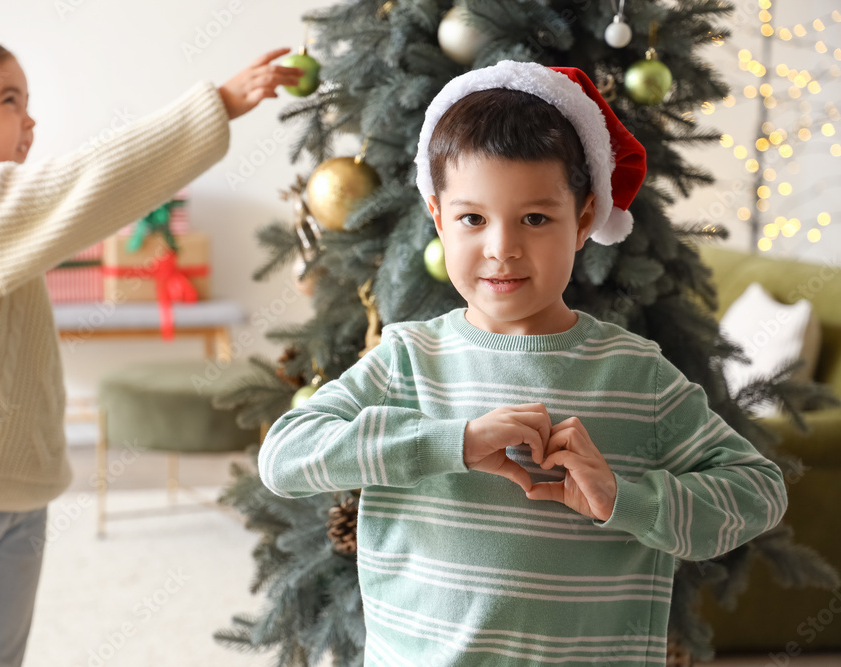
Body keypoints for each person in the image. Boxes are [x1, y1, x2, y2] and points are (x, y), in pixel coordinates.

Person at [258, 60, 788, 665]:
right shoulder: (407, 361)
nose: (501, 247)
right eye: (472, 219)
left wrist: (624, 499)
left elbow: (758, 492)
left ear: (585, 218)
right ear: (438, 217)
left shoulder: (637, 375)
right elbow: (285, 456)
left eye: (535, 218)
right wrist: (447, 442)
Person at [0, 1, 302, 665]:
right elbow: (83, 183)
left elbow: (77, 198)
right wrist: (215, 104)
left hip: (19, 488)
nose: (29, 118)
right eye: (9, 99)